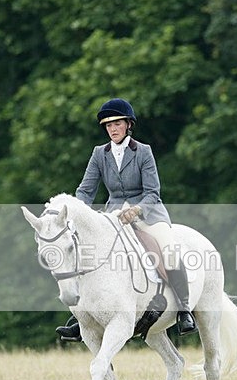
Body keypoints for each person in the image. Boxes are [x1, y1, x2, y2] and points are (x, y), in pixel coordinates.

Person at [55, 98, 197, 341]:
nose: (112, 129)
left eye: (117, 123)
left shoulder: (143, 152)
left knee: (169, 248)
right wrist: (76, 213)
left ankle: (184, 310)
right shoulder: (100, 154)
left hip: (148, 214)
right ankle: (81, 318)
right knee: (87, 251)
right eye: (108, 125)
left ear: (128, 125)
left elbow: (153, 193)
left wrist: (137, 210)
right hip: (114, 216)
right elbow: (85, 190)